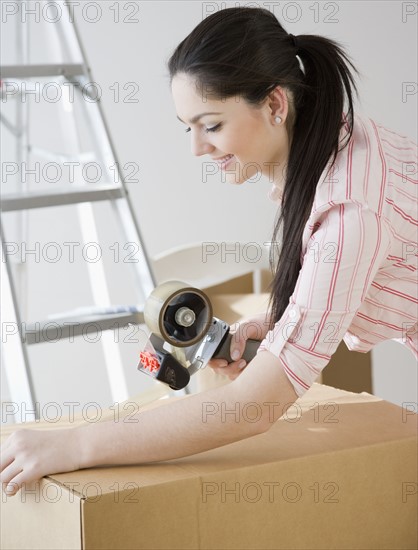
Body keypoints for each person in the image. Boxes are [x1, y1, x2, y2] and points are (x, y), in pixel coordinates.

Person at [1, 6, 417, 497]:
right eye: (188, 127)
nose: (197, 148)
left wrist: (72, 446)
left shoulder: (348, 212)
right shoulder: (334, 134)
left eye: (212, 125)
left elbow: (254, 408)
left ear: (275, 104)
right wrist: (284, 319)